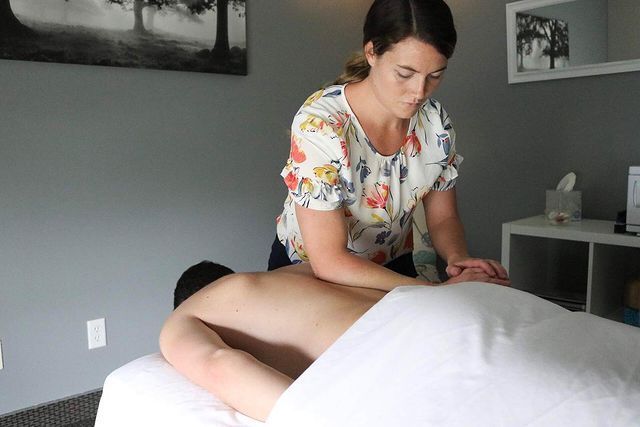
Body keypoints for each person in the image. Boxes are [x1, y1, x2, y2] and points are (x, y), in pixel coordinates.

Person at [269, 0, 510, 289]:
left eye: (435, 75)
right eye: (405, 74)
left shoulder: (435, 124)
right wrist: (433, 291)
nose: (419, 92)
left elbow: (444, 217)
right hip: (310, 272)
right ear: (372, 52)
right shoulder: (321, 125)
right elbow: (328, 260)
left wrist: (457, 258)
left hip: (393, 264)